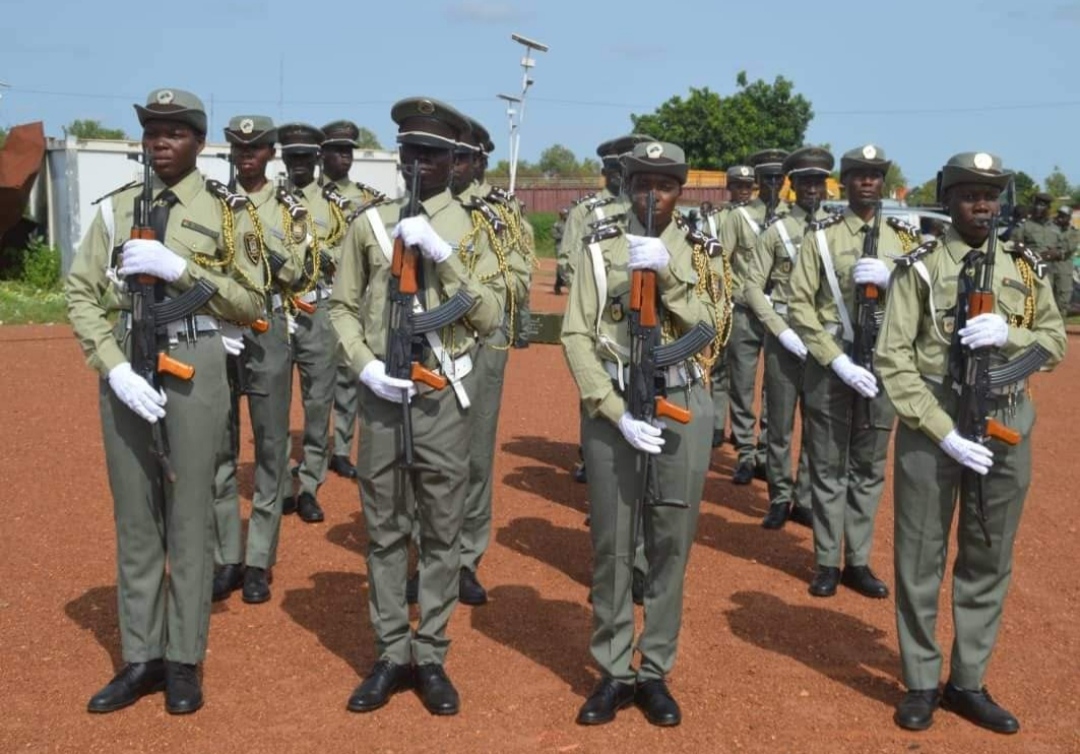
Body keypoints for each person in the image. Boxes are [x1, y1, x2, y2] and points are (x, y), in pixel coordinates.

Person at [65, 88, 267, 714]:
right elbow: (79, 293)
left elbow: (252, 302)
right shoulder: (114, 211)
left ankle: (184, 659)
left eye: (175, 131)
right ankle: (141, 657)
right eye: (152, 131)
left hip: (196, 365)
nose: (160, 141)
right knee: (135, 519)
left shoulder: (228, 213)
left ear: (199, 142)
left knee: (187, 518)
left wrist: (179, 268)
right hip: (129, 366)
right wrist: (113, 365)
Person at [875, 152, 1066, 734]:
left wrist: (1012, 334)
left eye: (990, 194)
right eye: (968, 194)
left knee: (988, 555)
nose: (981, 205)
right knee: (920, 559)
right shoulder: (920, 267)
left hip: (1005, 426)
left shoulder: (1024, 268)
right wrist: (944, 432)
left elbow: (1054, 342)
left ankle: (969, 680)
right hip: (934, 426)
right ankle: (921, 680)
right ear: (948, 200)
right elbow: (893, 359)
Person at [329, 97, 506, 716]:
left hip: (440, 399)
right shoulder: (368, 224)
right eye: (410, 150)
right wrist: (365, 366)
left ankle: (429, 654)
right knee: (382, 533)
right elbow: (340, 309)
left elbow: (491, 316)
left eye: (432, 153)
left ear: (454, 158)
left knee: (439, 531)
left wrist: (443, 254)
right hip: (382, 398)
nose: (419, 162)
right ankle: (388, 652)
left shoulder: (475, 230)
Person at [562, 140, 727, 727]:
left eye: (664, 184)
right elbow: (576, 335)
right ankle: (613, 670)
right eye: (642, 184)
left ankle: (654, 669)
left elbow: (714, 325)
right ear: (628, 186)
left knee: (669, 543)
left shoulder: (703, 248)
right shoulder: (599, 245)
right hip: (616, 407)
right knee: (611, 544)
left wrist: (669, 273)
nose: (652, 194)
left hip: (681, 399)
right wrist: (611, 408)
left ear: (681, 188)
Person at [787, 144, 919, 598]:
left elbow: (927, 305)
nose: (867, 181)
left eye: (875, 175)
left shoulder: (905, 242)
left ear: (883, 182)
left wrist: (894, 279)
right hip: (833, 363)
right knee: (827, 465)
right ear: (842, 183)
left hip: (883, 363)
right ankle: (826, 560)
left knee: (868, 465)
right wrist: (835, 358)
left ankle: (857, 560)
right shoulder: (821, 237)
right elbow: (799, 304)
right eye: (858, 174)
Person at [211, 115, 309, 604]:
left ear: (271, 153)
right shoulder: (210, 200)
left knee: (270, 449)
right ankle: (227, 554)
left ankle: (259, 559)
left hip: (268, 327)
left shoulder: (290, 207)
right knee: (219, 447)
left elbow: (295, 269)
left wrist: (250, 222)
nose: (246, 155)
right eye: (238, 147)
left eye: (255, 148)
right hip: (218, 328)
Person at [742, 147, 834, 529]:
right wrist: (779, 331)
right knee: (779, 424)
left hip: (825, 340)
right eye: (804, 182)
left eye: (818, 181)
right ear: (792, 186)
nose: (812, 188)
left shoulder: (837, 231)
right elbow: (752, 287)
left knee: (819, 423)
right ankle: (780, 495)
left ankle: (806, 496)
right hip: (785, 339)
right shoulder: (776, 230)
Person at [277, 122, 349, 523]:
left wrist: (323, 253)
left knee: (318, 403)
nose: (298, 164)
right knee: (272, 403)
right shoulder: (267, 200)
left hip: (315, 311)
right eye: (292, 157)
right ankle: (280, 484)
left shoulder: (331, 204)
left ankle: (309, 484)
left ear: (318, 159)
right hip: (274, 311)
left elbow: (345, 247)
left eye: (306, 157)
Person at [719, 149, 789, 483]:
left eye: (779, 178)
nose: (774, 184)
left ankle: (765, 453)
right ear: (758, 181)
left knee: (775, 389)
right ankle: (746, 452)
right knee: (743, 385)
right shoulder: (739, 217)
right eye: (768, 178)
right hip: (745, 312)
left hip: (781, 316)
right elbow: (722, 262)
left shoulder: (793, 218)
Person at [321, 120, 385, 480]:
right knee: (313, 385)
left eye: (349, 151)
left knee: (348, 376)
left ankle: (342, 448)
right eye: (337, 151)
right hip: (309, 300)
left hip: (352, 299)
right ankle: (314, 446)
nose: (344, 157)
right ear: (322, 155)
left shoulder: (366, 200)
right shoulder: (300, 198)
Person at [706, 164, 754, 448]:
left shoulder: (759, 219)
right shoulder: (716, 219)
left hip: (754, 304)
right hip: (726, 302)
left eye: (748, 187)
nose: (743, 191)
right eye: (738, 186)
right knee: (721, 368)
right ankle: (715, 425)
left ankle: (742, 431)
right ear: (730, 188)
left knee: (745, 374)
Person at [1017, 192, 1070, 314]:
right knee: (1033, 304)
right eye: (1036, 204)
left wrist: (1057, 252)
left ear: (1048, 208)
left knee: (1055, 305)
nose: (1038, 208)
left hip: (1054, 271)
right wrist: (1034, 256)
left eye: (1042, 205)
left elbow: (1065, 247)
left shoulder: (1056, 227)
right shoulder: (1025, 226)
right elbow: (1016, 245)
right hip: (1033, 270)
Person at [1051, 206, 1077, 314]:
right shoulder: (1049, 228)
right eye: (1059, 215)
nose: (1060, 218)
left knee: (1063, 298)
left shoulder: (1073, 232)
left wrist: (1054, 250)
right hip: (1049, 267)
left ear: (1069, 218)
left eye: (1063, 216)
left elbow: (1068, 247)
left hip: (1063, 268)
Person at [553, 207, 569, 294]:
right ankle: (558, 284)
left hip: (568, 247)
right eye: (564, 214)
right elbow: (554, 235)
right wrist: (563, 236)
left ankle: (564, 282)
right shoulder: (557, 225)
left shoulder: (570, 224)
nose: (566, 216)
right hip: (559, 247)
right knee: (561, 265)